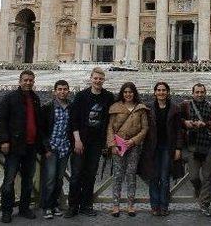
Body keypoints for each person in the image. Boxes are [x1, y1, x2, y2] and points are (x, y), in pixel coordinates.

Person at [66, 67, 115, 218]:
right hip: (80, 141)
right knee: (76, 175)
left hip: (96, 143)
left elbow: (111, 120)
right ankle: (73, 206)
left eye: (100, 79)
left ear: (103, 80)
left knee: (90, 175)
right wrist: (77, 140)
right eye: (95, 78)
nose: (98, 81)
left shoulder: (108, 97)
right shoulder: (81, 96)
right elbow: (73, 120)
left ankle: (87, 205)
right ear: (91, 79)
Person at [0, 70, 43, 223]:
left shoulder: (36, 99)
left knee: (28, 180)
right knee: (9, 180)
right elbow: (1, 120)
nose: (28, 83)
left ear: (34, 82)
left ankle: (24, 208)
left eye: (31, 80)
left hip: (31, 146)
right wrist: (4, 141)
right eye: (25, 80)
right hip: (14, 146)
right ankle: (6, 211)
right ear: (20, 81)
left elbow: (38, 123)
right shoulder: (9, 98)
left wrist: (42, 146)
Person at [107, 82, 149, 217]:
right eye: (125, 92)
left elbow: (145, 128)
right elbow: (110, 128)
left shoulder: (141, 108)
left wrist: (133, 141)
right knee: (118, 175)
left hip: (134, 146)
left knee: (131, 174)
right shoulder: (115, 107)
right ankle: (115, 205)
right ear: (122, 93)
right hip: (118, 145)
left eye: (130, 92)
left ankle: (130, 205)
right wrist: (112, 144)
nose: (128, 94)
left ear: (134, 93)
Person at [180, 83, 211, 217]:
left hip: (208, 146)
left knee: (207, 177)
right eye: (197, 92)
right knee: (194, 177)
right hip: (192, 146)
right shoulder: (185, 105)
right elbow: (178, 119)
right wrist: (185, 123)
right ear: (192, 93)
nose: (199, 94)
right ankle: (198, 189)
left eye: (202, 92)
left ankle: (205, 205)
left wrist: (205, 124)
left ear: (205, 92)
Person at [144, 82, 183, 216]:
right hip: (152, 147)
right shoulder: (148, 108)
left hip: (168, 147)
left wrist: (178, 148)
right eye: (159, 90)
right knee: (153, 177)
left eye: (164, 90)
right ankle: (155, 206)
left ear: (167, 92)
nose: (161, 92)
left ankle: (164, 205)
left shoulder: (175, 108)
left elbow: (179, 130)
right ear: (155, 92)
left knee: (165, 177)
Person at [40, 80, 71, 219]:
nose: (62, 91)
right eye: (59, 89)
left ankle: (55, 205)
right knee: (50, 179)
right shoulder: (47, 107)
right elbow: (41, 129)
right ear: (55, 91)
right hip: (51, 148)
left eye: (65, 89)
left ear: (68, 91)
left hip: (64, 148)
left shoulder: (71, 107)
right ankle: (47, 206)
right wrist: (45, 148)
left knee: (59, 179)